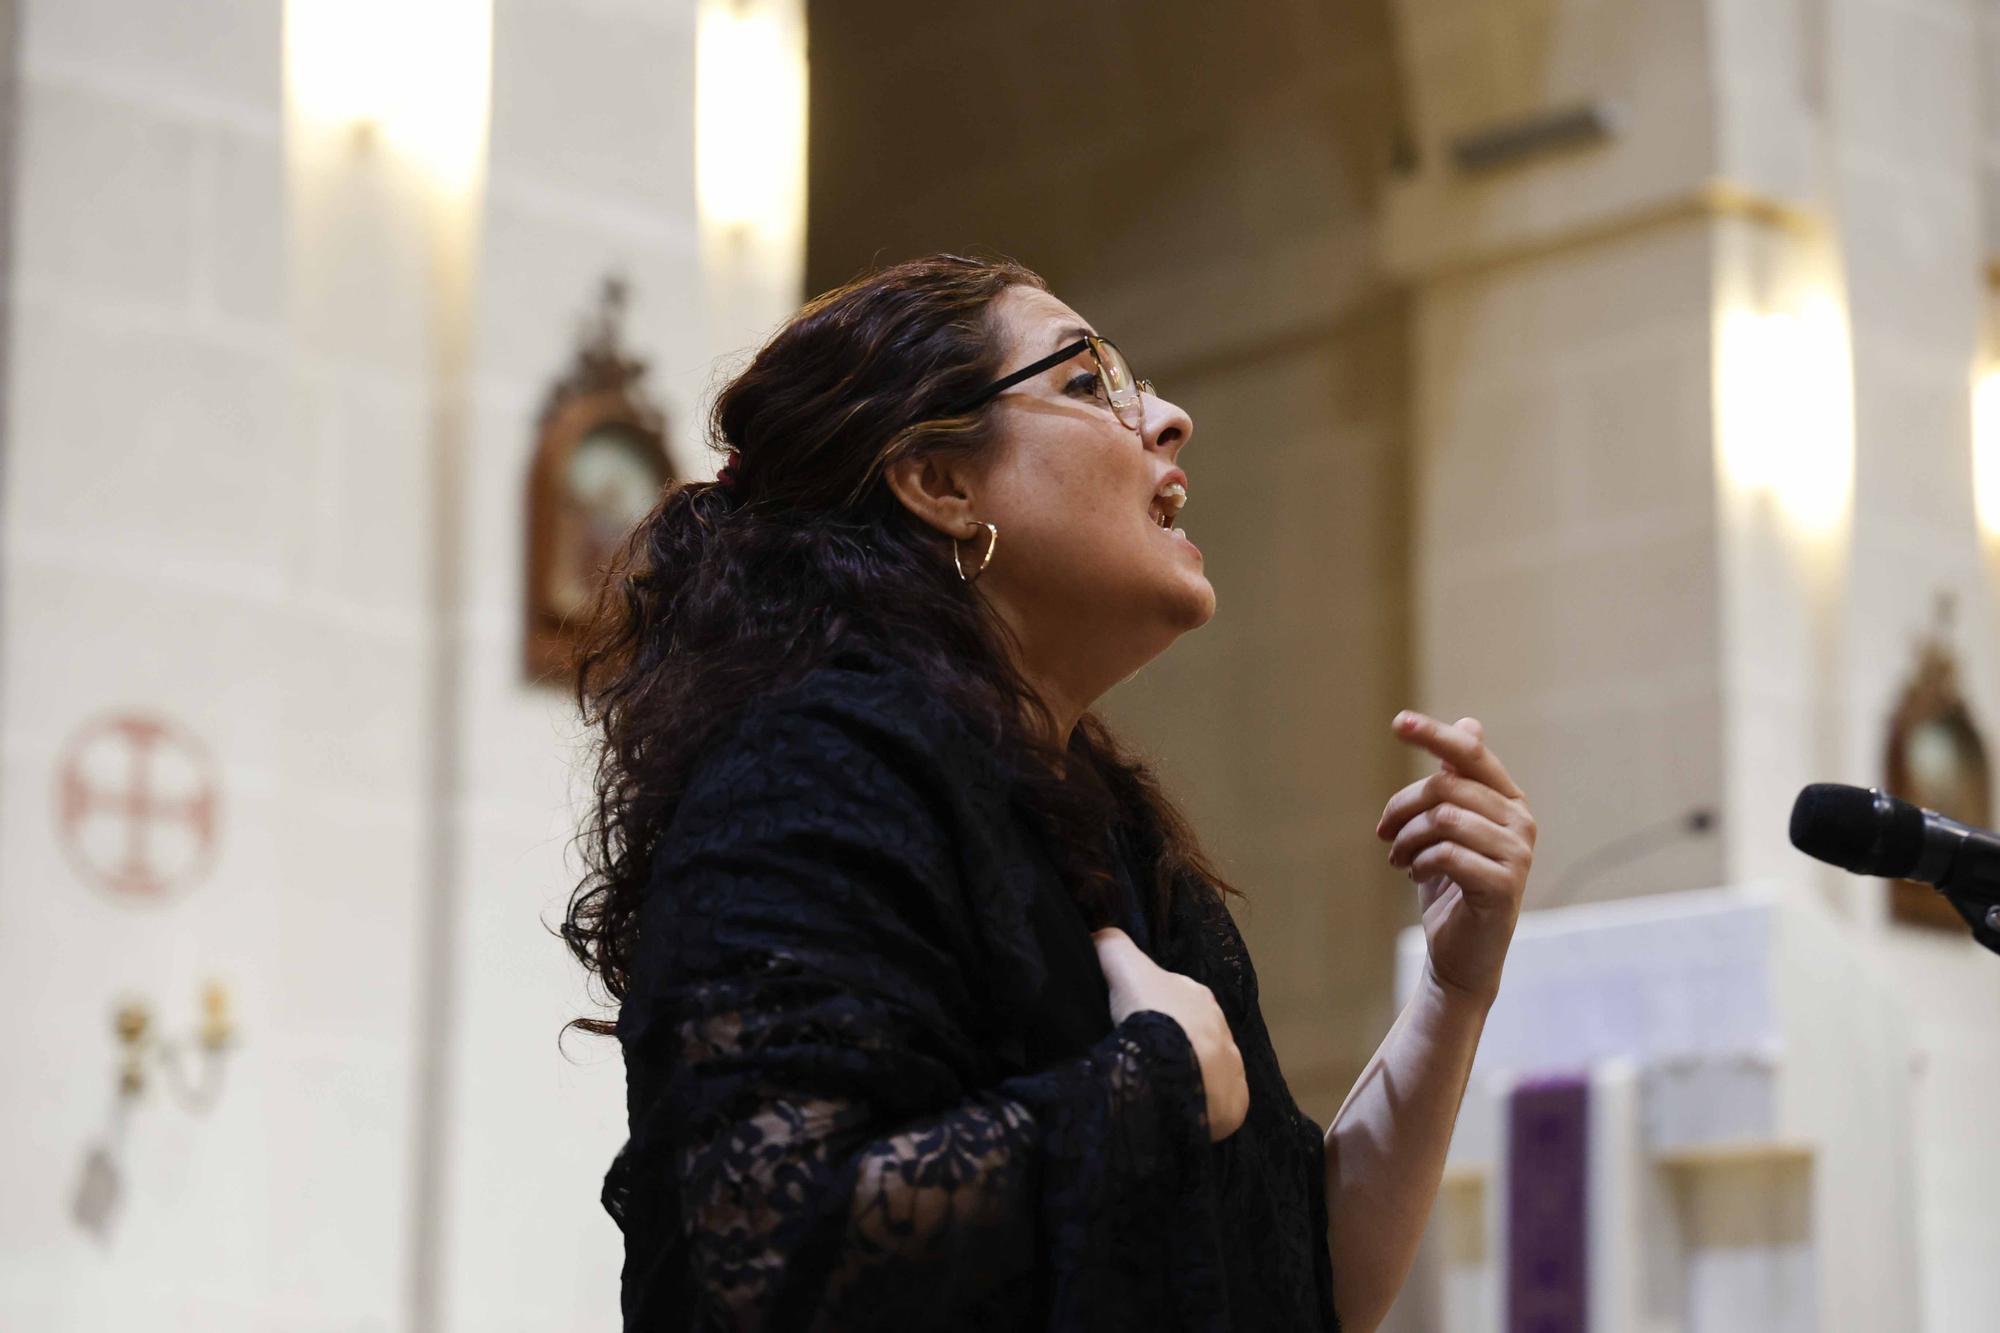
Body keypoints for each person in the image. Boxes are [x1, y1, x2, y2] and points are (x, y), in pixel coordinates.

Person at [563, 255, 1538, 1332]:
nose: (1167, 420)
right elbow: (765, 1249)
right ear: (938, 482)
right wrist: (1150, 1084)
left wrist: (1452, 994)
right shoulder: (808, 772)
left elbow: (1310, 1285)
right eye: (1088, 384)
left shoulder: (1105, 829)